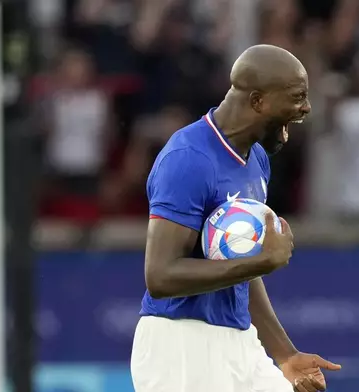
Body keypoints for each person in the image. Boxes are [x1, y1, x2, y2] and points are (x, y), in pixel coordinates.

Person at [131, 44, 341, 392]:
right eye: (296, 97)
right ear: (258, 101)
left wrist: (285, 355)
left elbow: (238, 263)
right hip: (182, 342)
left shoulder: (257, 158)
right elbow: (161, 275)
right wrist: (261, 263)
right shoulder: (188, 159)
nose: (305, 108)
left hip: (239, 340)